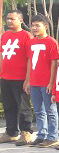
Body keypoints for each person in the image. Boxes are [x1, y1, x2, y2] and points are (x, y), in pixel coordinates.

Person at [0, 10, 34, 146]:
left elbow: (30, 58)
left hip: (20, 78)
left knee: (23, 106)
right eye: (7, 19)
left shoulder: (27, 36)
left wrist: (28, 78)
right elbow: (2, 55)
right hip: (5, 77)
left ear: (20, 20)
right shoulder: (5, 36)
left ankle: (26, 132)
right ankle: (11, 132)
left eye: (12, 19)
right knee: (8, 105)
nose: (9, 21)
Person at [26, 14, 59, 148]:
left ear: (45, 26)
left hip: (46, 83)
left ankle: (52, 137)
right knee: (39, 111)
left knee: (50, 110)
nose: (34, 28)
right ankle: (41, 135)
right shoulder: (31, 42)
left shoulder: (51, 42)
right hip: (34, 82)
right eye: (33, 25)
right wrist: (28, 80)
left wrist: (51, 82)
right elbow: (29, 61)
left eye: (37, 25)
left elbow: (54, 63)